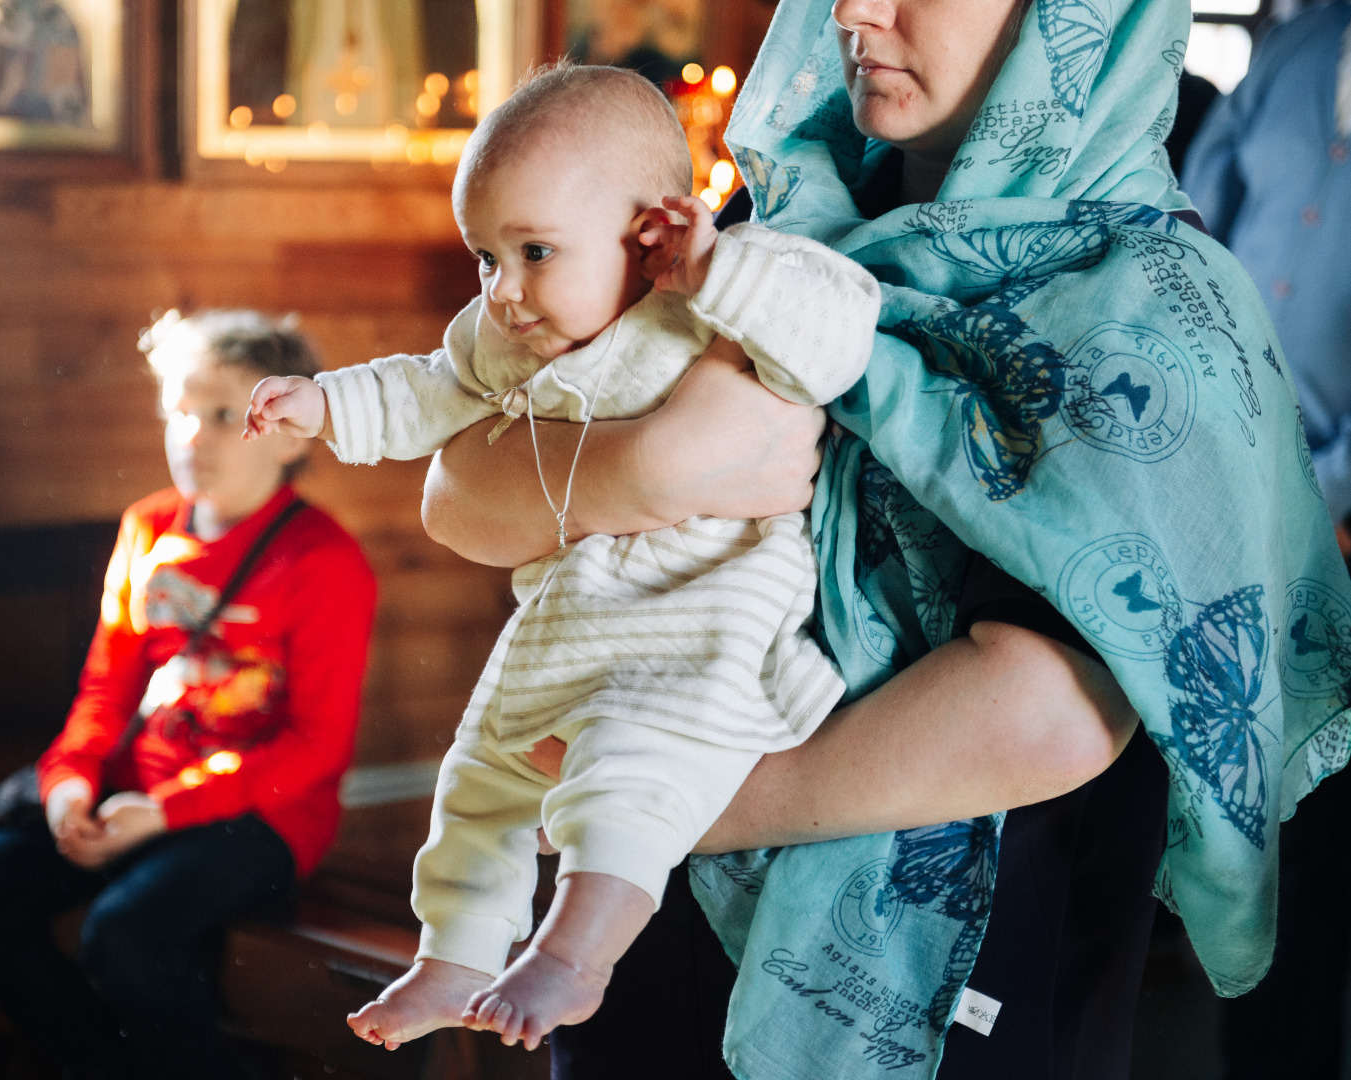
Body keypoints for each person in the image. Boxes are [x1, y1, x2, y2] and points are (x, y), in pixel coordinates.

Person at [418, 0, 1351, 1078]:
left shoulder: (1152, 304)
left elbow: (1050, 715)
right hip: (637, 949)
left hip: (938, 994)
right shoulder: (752, 230)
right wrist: (651, 465)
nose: (857, 11)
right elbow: (461, 475)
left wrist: (669, 803)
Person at [244, 62, 882, 1053]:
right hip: (567, 627)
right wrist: (327, 405)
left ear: (651, 228)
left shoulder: (715, 304)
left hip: (701, 626)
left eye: (533, 251)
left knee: (628, 776)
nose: (502, 293)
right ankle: (451, 959)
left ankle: (577, 954)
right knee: (478, 781)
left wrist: (720, 269)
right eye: (485, 260)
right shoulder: (512, 336)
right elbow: (427, 389)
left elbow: (839, 329)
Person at [0, 310, 377, 1080]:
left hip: (262, 816)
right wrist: (69, 786)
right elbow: (106, 686)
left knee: (126, 933)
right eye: (181, 412)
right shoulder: (147, 527)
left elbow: (313, 748)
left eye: (225, 416)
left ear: (294, 435)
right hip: (137, 790)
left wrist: (165, 814)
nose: (192, 437)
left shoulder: (324, 561)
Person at [1181, 6, 1351, 1076]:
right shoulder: (1304, 42)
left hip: (1335, 508)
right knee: (1284, 853)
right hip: (1256, 512)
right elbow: (1201, 209)